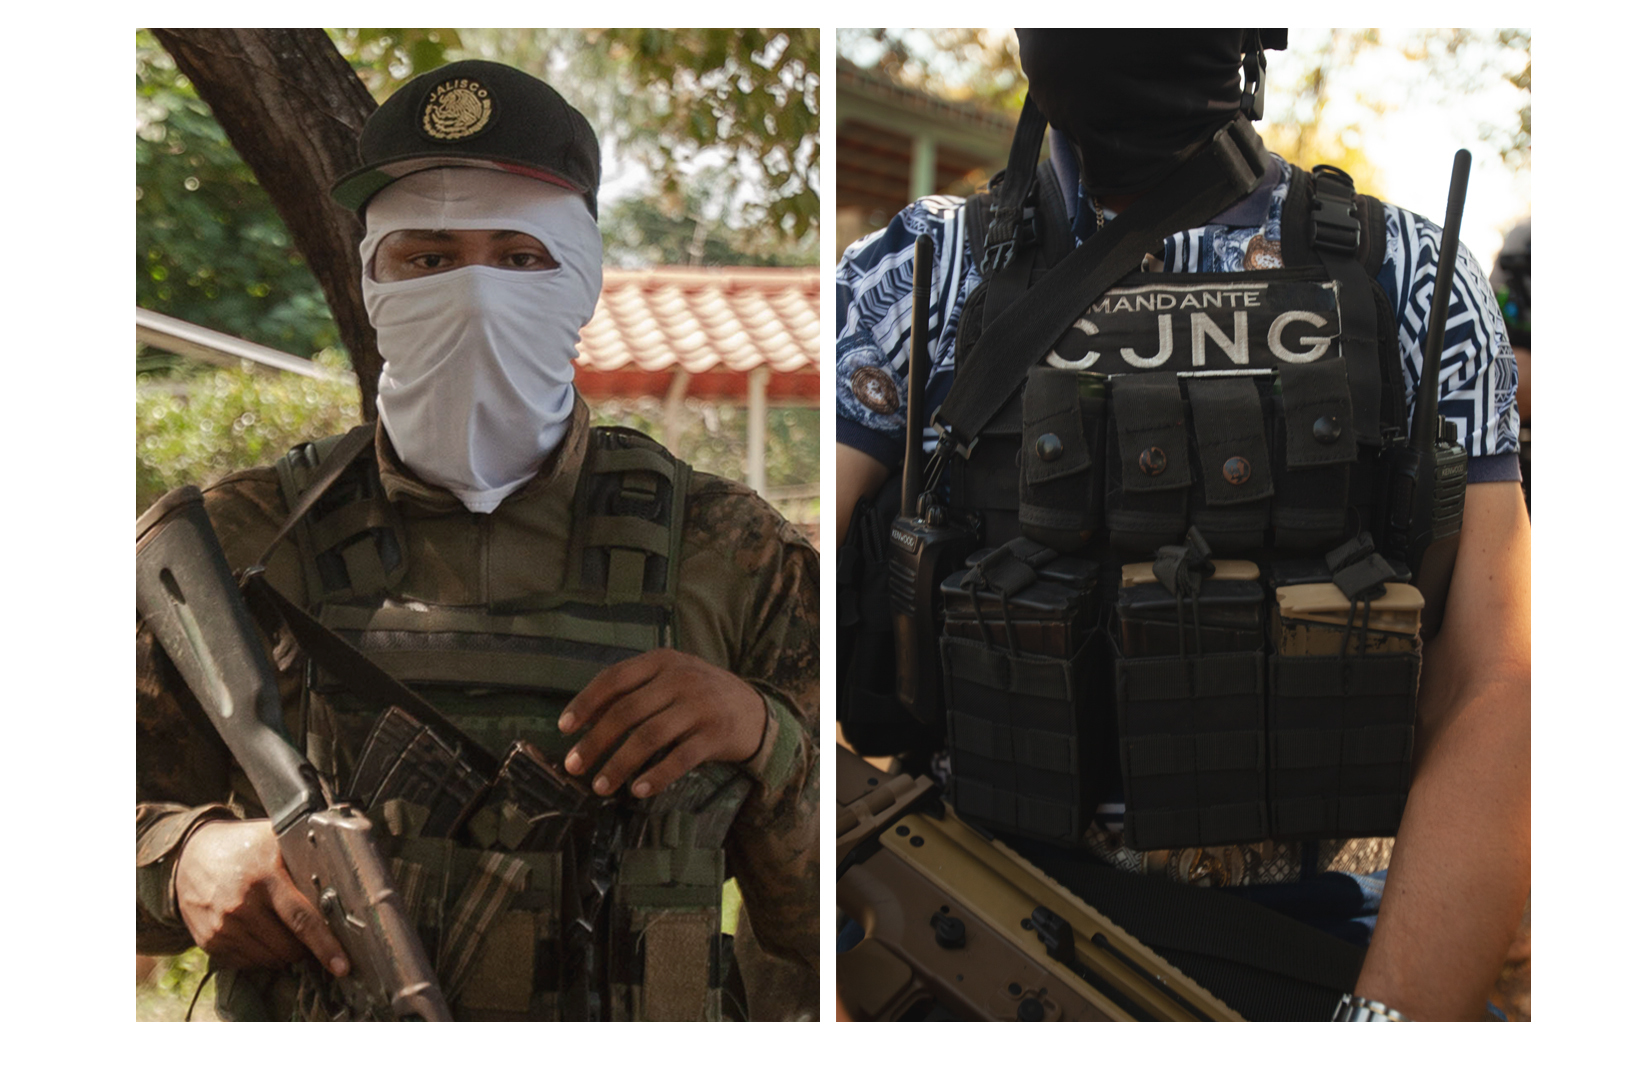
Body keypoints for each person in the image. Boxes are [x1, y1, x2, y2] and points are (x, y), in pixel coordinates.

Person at [836, 29, 1527, 1021]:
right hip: (983, 931)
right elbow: (790, 614)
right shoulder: (915, 270)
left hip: (1320, 947)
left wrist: (1388, 1023)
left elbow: (1497, 676)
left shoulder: (1409, 275)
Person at [137, 59, 819, 1021]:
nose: (474, 294)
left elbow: (842, 913)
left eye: (519, 256)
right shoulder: (238, 538)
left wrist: (762, 734)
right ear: (375, 279)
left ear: (579, 278)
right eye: (427, 258)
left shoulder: (730, 549)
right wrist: (183, 861)